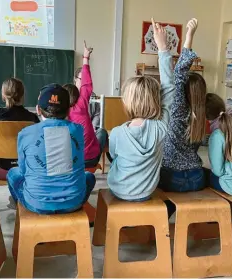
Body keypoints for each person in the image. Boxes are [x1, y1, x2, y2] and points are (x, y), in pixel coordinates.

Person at [107, 18, 175, 201]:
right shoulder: (161, 128)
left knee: (116, 161)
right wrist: (163, 48)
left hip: (118, 191)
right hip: (146, 193)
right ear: (156, 100)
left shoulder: (116, 133)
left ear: (127, 102)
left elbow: (113, 157)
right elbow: (169, 86)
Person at [6, 84, 96, 214]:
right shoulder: (77, 130)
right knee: (89, 176)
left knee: (12, 174)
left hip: (37, 205)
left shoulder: (25, 133)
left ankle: (20, 206)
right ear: (69, 111)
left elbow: (23, 170)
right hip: (74, 203)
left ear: (38, 109)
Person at [159, 19, 205, 216]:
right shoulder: (201, 114)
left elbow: (178, 75)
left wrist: (188, 37)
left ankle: (163, 216)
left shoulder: (177, 112)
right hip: (197, 177)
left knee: (152, 181)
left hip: (172, 178)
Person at [64, 41, 107, 168]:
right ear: (75, 80)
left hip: (70, 160)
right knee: (103, 133)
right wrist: (86, 58)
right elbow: (87, 84)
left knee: (99, 131)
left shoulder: (61, 111)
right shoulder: (81, 104)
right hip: (89, 158)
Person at [0, 78, 39, 170]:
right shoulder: (32, 119)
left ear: (3, 95)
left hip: (1, 161)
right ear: (22, 95)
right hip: (26, 161)